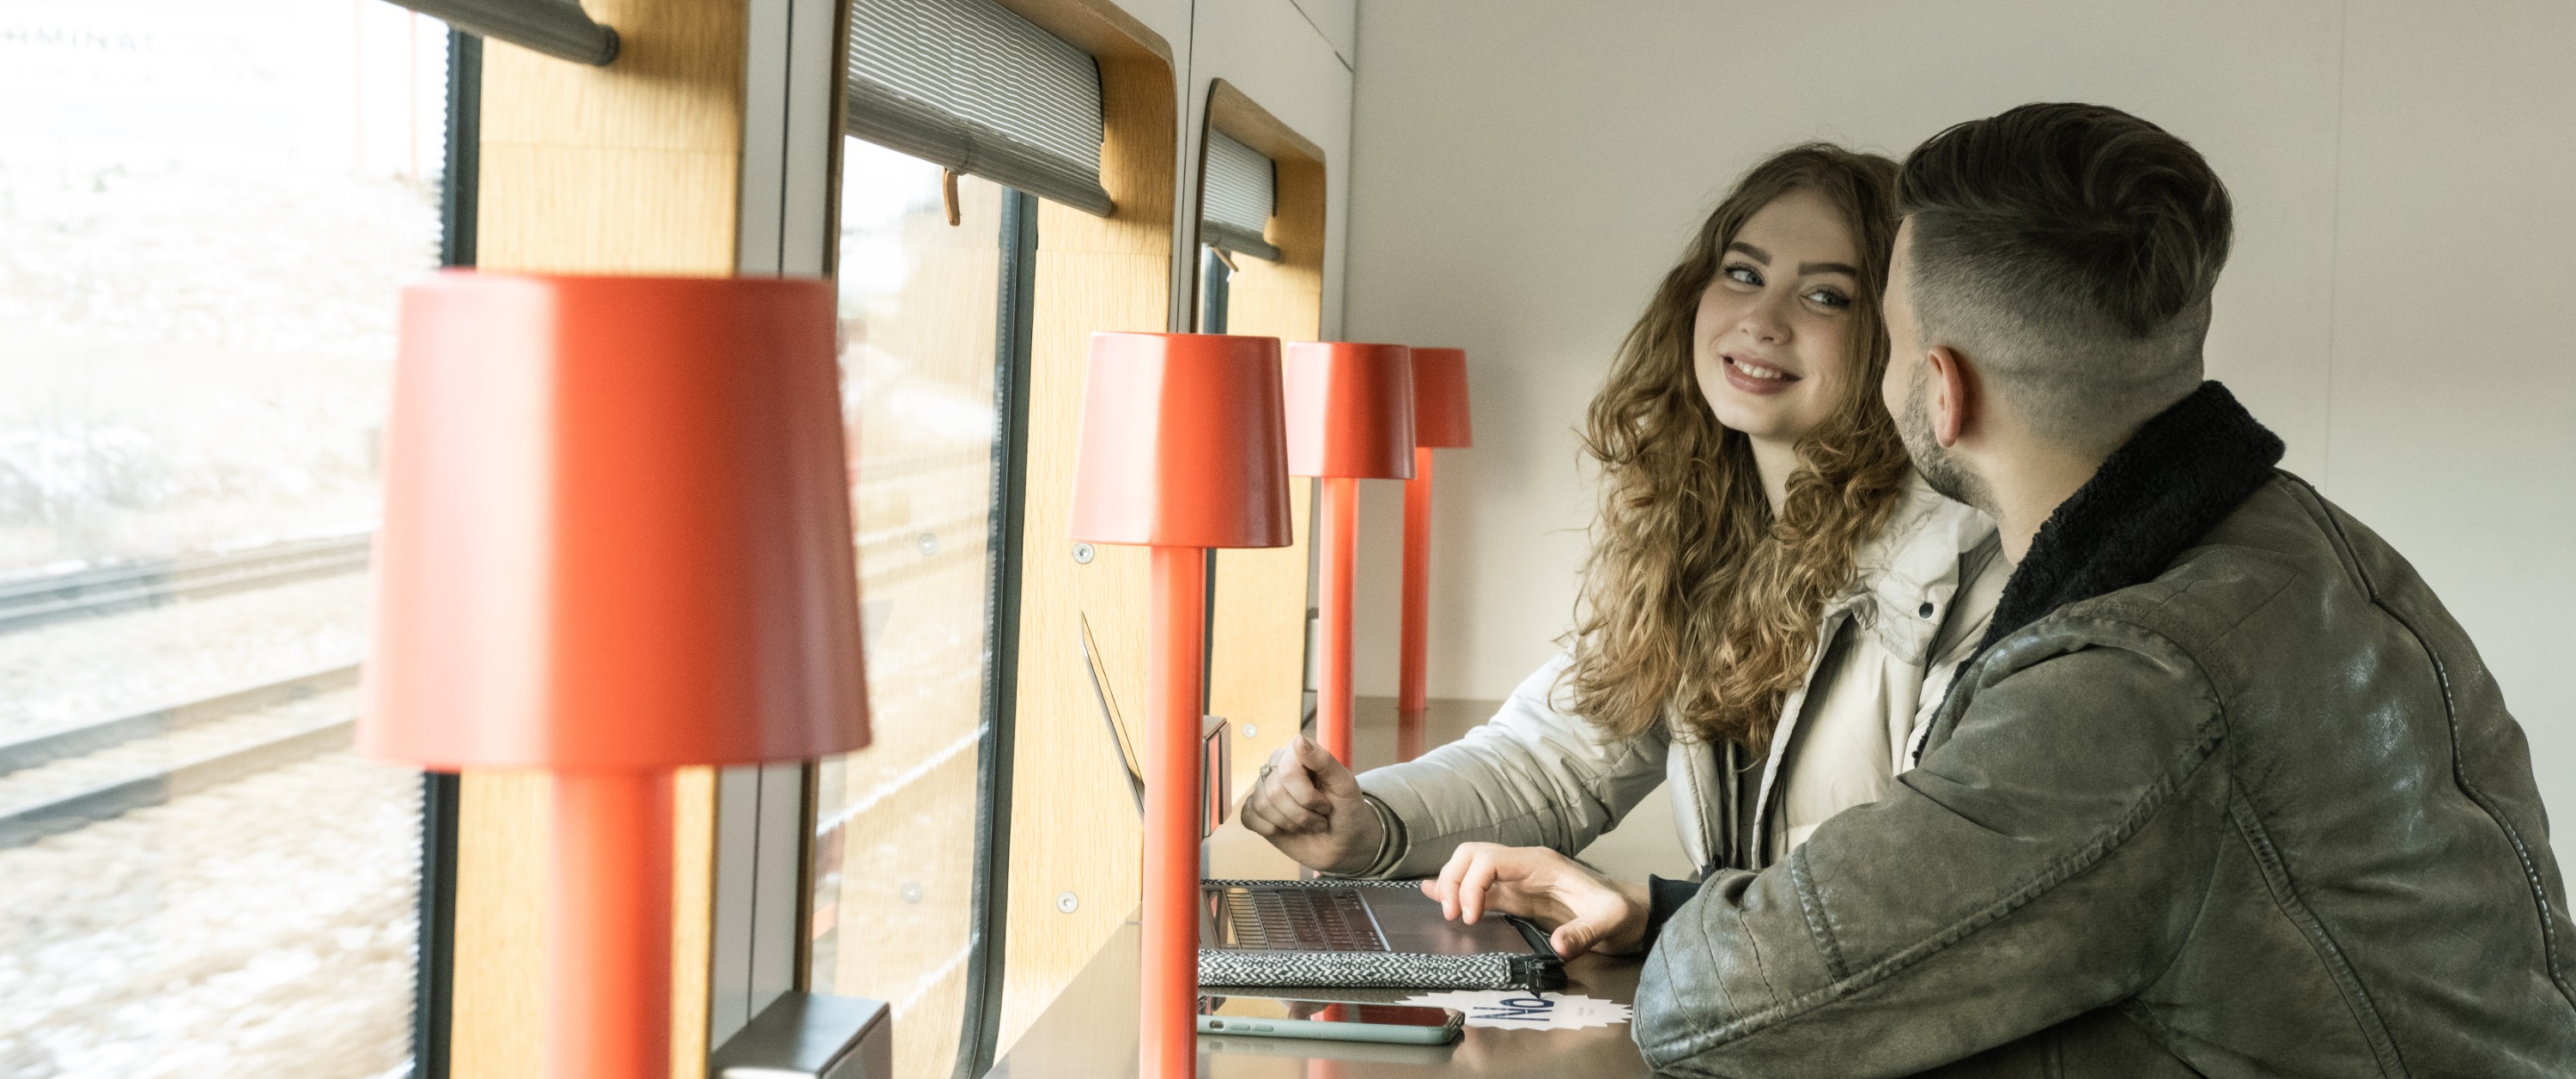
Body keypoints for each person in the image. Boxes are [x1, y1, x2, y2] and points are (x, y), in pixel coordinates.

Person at [1421, 103, 2576, 1076]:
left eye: (1871, 330)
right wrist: (1667, 910)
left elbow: (1729, 1004)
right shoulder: (2315, 547)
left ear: (1941, 390)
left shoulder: (2124, 680)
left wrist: (1683, 929)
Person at [1236, 142, 2010, 958]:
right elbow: (1552, 760)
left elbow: (1933, 894)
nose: (1762, 319)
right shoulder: (1709, 535)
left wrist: (1662, 911)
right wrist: (1366, 821)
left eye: (1825, 296)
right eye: (1743, 274)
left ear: (1896, 338)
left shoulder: (1963, 564)